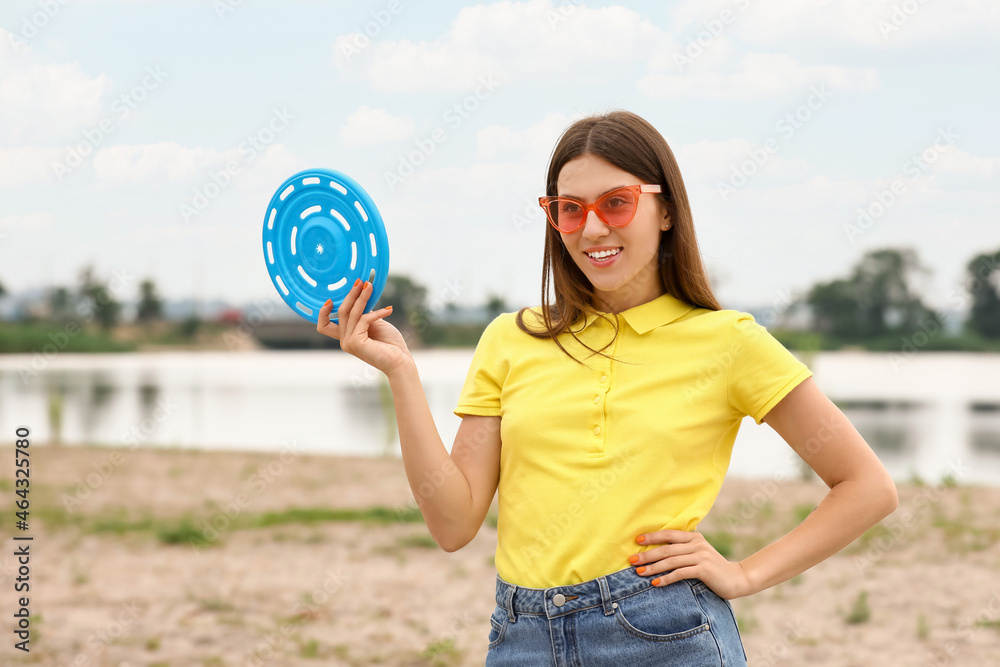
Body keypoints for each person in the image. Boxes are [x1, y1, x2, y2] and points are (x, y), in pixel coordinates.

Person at [316, 109, 899, 666]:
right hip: (521, 640)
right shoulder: (509, 339)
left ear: (665, 210)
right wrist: (400, 372)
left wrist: (744, 574)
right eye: (570, 210)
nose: (593, 228)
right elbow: (452, 524)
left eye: (616, 203)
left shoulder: (729, 342)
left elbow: (867, 486)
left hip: (665, 634)